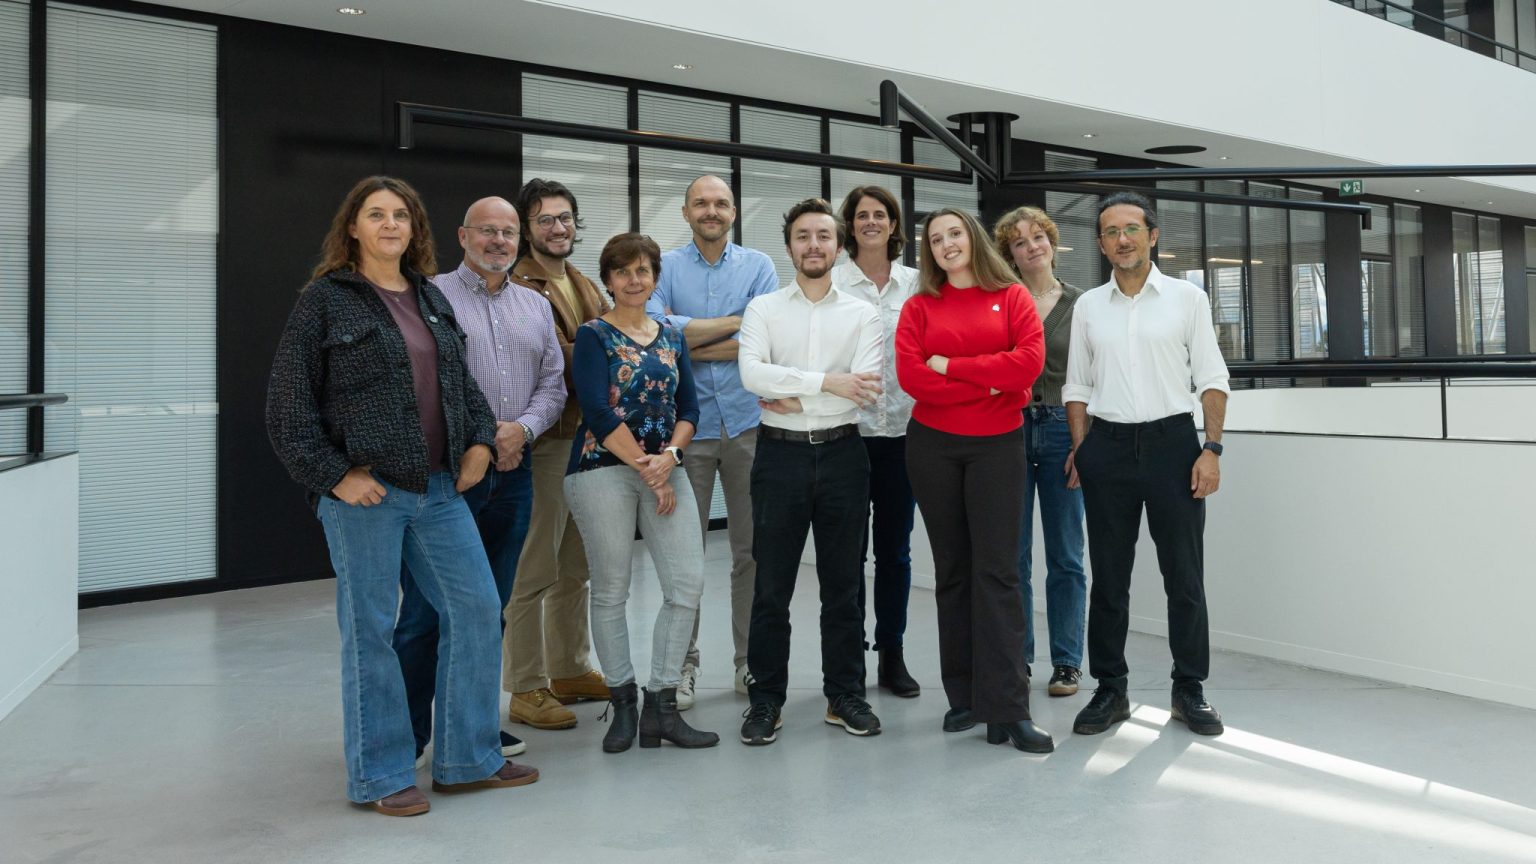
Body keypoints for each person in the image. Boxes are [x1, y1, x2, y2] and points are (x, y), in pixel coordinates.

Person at [266, 176, 538, 817]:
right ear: (353, 227)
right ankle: (382, 774)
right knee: (370, 631)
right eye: (376, 214)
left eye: (402, 216)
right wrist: (333, 474)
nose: (390, 225)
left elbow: (464, 388)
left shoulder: (430, 297)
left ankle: (468, 757)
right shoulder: (325, 301)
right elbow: (287, 404)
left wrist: (476, 442)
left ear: (416, 229)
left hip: (439, 489)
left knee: (475, 610)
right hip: (367, 494)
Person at [392, 195, 566, 765]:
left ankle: (471, 728)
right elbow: (420, 385)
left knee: (489, 605)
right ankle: (409, 732)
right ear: (463, 236)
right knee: (424, 610)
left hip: (514, 477)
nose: (499, 241)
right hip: (447, 480)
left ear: (521, 240)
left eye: (509, 232)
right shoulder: (428, 297)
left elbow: (553, 384)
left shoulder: (535, 306)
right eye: (487, 231)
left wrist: (522, 429)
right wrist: (484, 438)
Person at [1064, 190, 1230, 737]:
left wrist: (1212, 448)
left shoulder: (1187, 299)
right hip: (1106, 448)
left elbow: (1210, 376)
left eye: (1132, 229)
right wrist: (1081, 448)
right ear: (1101, 244)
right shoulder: (1089, 306)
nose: (1123, 239)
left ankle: (1189, 688)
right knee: (1108, 580)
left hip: (1173, 448)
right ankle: (1110, 690)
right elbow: (1079, 386)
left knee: (1184, 577)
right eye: (1111, 232)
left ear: (1153, 236)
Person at [894, 207, 1053, 753]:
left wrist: (951, 367)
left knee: (1000, 574)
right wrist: (989, 381)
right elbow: (914, 378)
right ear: (929, 252)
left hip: (997, 448)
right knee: (954, 574)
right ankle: (963, 697)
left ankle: (1008, 709)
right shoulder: (918, 307)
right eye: (935, 240)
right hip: (932, 447)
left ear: (973, 238)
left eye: (954, 233)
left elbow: (1027, 366)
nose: (946, 245)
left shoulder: (1012, 298)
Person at [563, 233, 719, 753]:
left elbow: (690, 409)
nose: (635, 280)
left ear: (655, 278)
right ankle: (624, 705)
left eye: (644, 270)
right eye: (623, 271)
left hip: (664, 465)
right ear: (608, 280)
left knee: (687, 585)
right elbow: (598, 412)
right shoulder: (593, 335)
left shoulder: (673, 337)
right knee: (611, 588)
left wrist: (669, 460)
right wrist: (648, 469)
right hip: (600, 468)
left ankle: (662, 705)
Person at [736, 198, 884, 746]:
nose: (814, 245)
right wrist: (827, 384)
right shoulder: (764, 309)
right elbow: (752, 374)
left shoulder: (861, 313)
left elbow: (865, 387)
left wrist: (793, 389)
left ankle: (845, 695)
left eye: (824, 235)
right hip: (780, 457)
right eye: (803, 236)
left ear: (839, 246)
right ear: (790, 245)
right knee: (771, 585)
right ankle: (765, 700)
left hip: (845, 455)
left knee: (844, 585)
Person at [647, 174, 780, 708]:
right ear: (685, 213)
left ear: (733, 211)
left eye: (720, 202)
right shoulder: (665, 268)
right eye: (701, 203)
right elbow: (655, 336)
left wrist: (688, 337)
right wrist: (733, 326)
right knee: (686, 555)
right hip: (687, 429)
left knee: (752, 552)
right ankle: (683, 665)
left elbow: (765, 338)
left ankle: (750, 664)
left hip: (750, 424)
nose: (711, 210)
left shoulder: (760, 266)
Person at [503, 178, 611, 730]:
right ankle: (525, 685)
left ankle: (568, 668)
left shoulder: (584, 283)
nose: (559, 228)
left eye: (566, 217)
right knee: (535, 566)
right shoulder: (516, 285)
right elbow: (564, 355)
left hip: (589, 440)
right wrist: (603, 351)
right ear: (527, 228)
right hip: (547, 443)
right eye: (546, 219)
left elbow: (608, 342)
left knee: (577, 565)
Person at [992, 206, 1088, 698]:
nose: (1032, 247)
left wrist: (1083, 441)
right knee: (1013, 557)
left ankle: (1068, 662)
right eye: (1020, 242)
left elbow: (1095, 378)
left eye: (1039, 237)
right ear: (1008, 253)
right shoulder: (1001, 303)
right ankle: (1019, 659)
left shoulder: (1083, 304)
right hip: (1010, 430)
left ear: (1051, 242)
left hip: (1062, 432)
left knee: (1067, 555)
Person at [832, 186, 922, 698]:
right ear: (850, 224)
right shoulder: (834, 283)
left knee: (895, 553)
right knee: (848, 555)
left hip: (906, 435)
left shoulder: (917, 282)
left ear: (893, 225)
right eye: (861, 215)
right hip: (849, 434)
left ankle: (892, 654)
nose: (870, 222)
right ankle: (849, 664)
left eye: (879, 215)